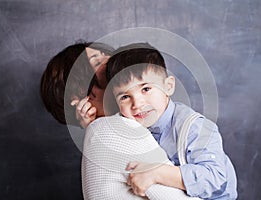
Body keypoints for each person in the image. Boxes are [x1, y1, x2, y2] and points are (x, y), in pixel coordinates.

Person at [40, 42, 201, 200]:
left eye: (105, 54)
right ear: (79, 95)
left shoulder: (101, 133)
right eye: (97, 61)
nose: (111, 58)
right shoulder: (115, 129)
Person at [104, 42, 238, 199]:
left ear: (168, 86)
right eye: (125, 97)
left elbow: (215, 178)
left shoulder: (194, 127)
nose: (137, 104)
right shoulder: (129, 126)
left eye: (146, 89)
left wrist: (157, 172)